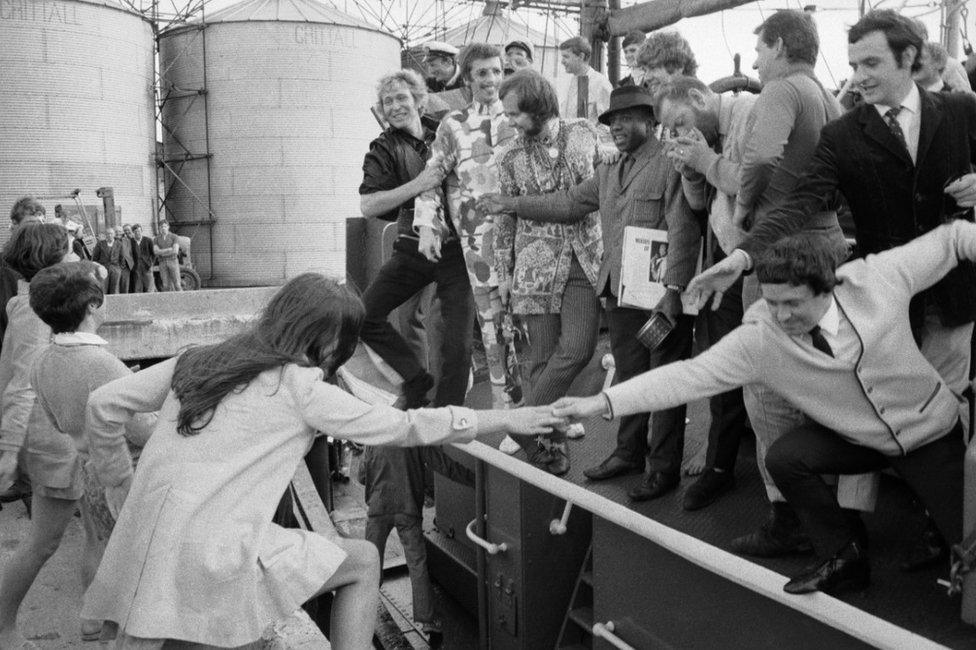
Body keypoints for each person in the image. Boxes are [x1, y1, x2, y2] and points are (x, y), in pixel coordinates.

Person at [79, 274, 561, 649]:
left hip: (147, 544)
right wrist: (507, 420)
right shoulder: (300, 387)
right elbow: (407, 426)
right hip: (217, 555)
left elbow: (102, 404)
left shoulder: (199, 357)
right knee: (364, 560)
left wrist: (121, 485)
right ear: (330, 341)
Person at [554, 221, 974, 595]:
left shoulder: (877, 279)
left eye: (793, 303)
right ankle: (844, 558)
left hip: (929, 433)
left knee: (971, 551)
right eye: (773, 303)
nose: (781, 315)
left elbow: (952, 239)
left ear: (828, 286)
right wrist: (602, 401)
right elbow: (685, 376)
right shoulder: (760, 336)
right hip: (860, 439)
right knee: (786, 458)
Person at [481, 85, 700, 499]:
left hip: (660, 297)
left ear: (649, 121)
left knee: (665, 381)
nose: (615, 127)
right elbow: (566, 204)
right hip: (620, 293)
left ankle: (663, 469)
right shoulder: (610, 172)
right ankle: (628, 453)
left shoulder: (669, 164)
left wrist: (674, 288)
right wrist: (511, 204)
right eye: (611, 121)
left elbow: (683, 228)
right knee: (630, 377)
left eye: (625, 119)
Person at [0, 260, 155, 648]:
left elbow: (56, 419)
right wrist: (154, 403)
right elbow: (142, 430)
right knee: (136, 563)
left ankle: (96, 627)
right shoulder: (104, 364)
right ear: (90, 307)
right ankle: (120, 635)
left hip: (88, 470)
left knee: (98, 542)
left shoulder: (44, 360)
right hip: (123, 477)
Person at [491, 69, 604, 475]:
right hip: (533, 266)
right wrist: (503, 272)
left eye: (515, 113)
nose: (510, 122)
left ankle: (523, 427)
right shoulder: (508, 157)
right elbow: (503, 221)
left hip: (585, 260)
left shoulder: (586, 133)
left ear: (538, 106)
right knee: (537, 362)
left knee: (578, 348)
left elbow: (599, 187)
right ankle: (550, 446)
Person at [655, 76, 756, 509]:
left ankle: (727, 467)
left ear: (698, 97)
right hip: (725, 257)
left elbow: (752, 185)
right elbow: (699, 205)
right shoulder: (708, 133)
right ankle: (721, 462)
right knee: (722, 358)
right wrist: (691, 170)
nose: (678, 133)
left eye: (679, 122)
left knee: (739, 362)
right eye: (672, 130)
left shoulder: (750, 113)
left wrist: (704, 157)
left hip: (754, 255)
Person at [413, 43, 521, 413]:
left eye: (497, 71)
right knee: (491, 327)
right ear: (468, 77)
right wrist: (427, 226)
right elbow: (431, 178)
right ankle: (503, 410)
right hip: (479, 245)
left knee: (531, 325)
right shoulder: (453, 125)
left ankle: (543, 407)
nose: (491, 80)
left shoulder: (519, 118)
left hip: (525, 236)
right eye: (482, 73)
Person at [358, 69, 471, 409]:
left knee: (458, 341)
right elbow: (368, 205)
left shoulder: (447, 133)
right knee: (363, 316)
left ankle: (449, 413)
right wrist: (418, 184)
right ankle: (415, 378)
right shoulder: (383, 147)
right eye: (387, 101)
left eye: (401, 98)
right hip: (413, 245)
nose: (394, 106)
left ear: (419, 102)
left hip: (456, 250)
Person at [362, 443, 473, 645]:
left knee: (370, 563)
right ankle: (429, 622)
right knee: (417, 565)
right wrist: (475, 479)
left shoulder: (374, 434)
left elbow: (362, 475)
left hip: (378, 507)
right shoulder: (413, 434)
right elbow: (442, 464)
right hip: (408, 508)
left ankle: (364, 612)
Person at [559, 36, 613, 126]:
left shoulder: (600, 83)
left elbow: (608, 122)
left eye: (566, 57)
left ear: (581, 56)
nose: (562, 61)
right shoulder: (567, 83)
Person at [634, 31, 697, 98]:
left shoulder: (700, 105)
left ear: (678, 66)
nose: (646, 78)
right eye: (645, 70)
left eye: (652, 68)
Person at [153, 221, 182, 292]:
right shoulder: (156, 239)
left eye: (165, 226)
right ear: (159, 228)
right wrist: (169, 249)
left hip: (173, 261)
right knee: (165, 285)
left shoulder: (174, 237)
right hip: (162, 262)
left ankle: (182, 301)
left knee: (177, 284)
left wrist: (161, 252)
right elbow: (156, 252)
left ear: (168, 227)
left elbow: (175, 251)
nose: (163, 228)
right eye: (161, 227)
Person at [131, 224, 155, 293]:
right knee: (138, 286)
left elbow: (153, 254)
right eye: (135, 232)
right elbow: (129, 255)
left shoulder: (148, 240)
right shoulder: (131, 241)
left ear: (141, 231)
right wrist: (132, 266)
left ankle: (150, 299)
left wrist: (151, 263)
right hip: (136, 267)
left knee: (149, 285)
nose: (137, 233)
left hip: (147, 266)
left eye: (139, 231)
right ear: (133, 233)